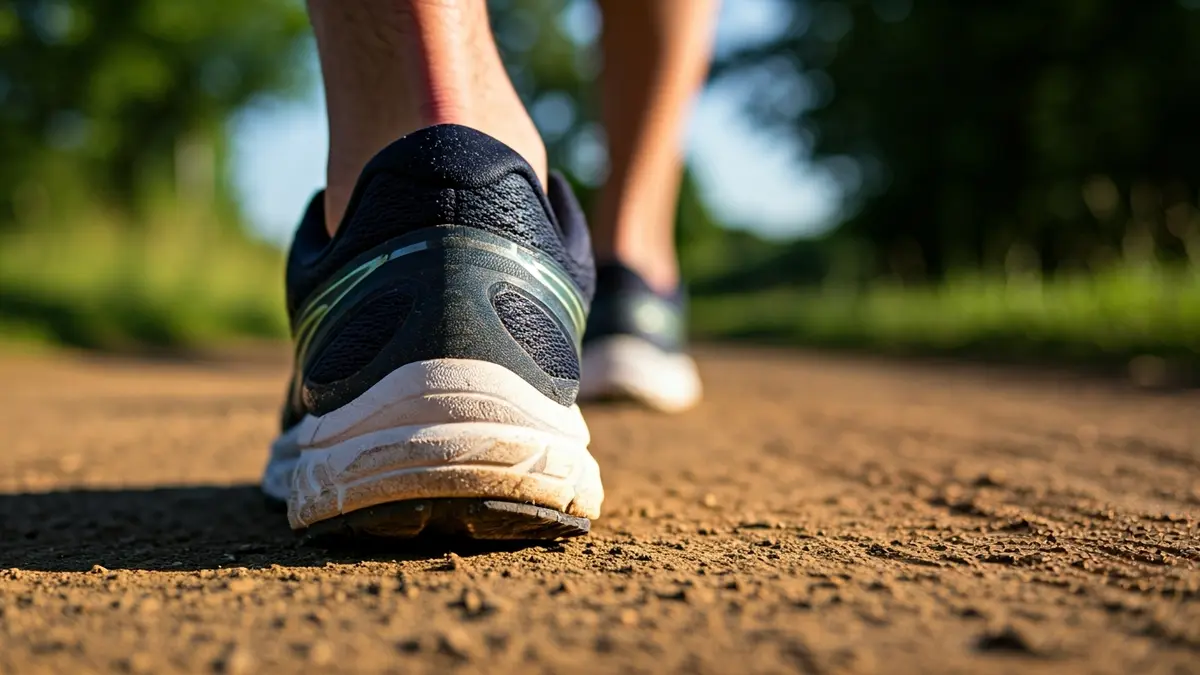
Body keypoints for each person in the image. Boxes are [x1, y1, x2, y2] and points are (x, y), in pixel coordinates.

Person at [261, 0, 720, 541]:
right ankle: (631, 273)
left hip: (378, 297)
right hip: (536, 293)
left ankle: (402, 176)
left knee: (416, 131)